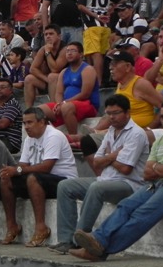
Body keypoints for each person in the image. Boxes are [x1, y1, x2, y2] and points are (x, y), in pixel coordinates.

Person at [68, 101, 163, 262]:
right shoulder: (160, 141)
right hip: (157, 184)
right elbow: (146, 173)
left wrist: (157, 168)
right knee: (125, 205)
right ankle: (98, 240)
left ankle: (101, 250)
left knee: (142, 214)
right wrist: (162, 169)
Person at [49, 95, 149, 254]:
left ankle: (79, 239)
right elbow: (96, 162)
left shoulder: (136, 134)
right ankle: (65, 240)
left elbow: (125, 169)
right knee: (65, 186)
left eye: (115, 113)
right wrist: (113, 155)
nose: (111, 117)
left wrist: (107, 157)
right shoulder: (110, 131)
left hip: (129, 185)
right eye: (109, 113)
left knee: (97, 187)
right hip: (106, 178)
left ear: (127, 113)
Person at [0, 107, 77, 247]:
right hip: (38, 179)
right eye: (24, 123)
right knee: (6, 178)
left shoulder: (54, 136)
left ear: (42, 122)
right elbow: (22, 164)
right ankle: (12, 226)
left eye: (30, 122)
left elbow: (46, 167)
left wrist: (17, 170)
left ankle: (41, 227)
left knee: (33, 178)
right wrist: (12, 171)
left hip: (63, 180)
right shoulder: (30, 138)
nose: (26, 127)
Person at [39, 42, 99, 136]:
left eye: (73, 51)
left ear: (81, 54)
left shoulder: (88, 69)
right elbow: (59, 93)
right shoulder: (64, 72)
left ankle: (73, 138)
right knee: (39, 110)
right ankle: (49, 137)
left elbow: (85, 94)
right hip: (66, 105)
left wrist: (64, 103)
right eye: (67, 51)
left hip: (87, 104)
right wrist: (58, 104)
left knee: (66, 107)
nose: (69, 53)